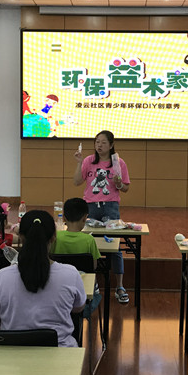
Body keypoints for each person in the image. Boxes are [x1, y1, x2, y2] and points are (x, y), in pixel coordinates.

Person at [0, 210, 86, 347]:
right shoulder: (71, 274)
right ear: (54, 237)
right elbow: (78, 308)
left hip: (13, 354)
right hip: (60, 352)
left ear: (21, 237)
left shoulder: (1, 277)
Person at [73, 130, 130, 303]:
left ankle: (119, 286)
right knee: (89, 245)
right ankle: (92, 283)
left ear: (111, 145)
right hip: (90, 207)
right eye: (97, 142)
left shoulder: (118, 162)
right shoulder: (89, 160)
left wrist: (119, 184)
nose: (99, 145)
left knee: (115, 246)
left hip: (110, 207)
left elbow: (125, 188)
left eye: (103, 142)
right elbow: (77, 181)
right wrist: (79, 163)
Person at [52, 197, 101, 268]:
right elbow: (94, 266)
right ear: (85, 218)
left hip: (59, 274)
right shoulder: (89, 240)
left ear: (64, 218)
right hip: (83, 275)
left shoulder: (55, 237)